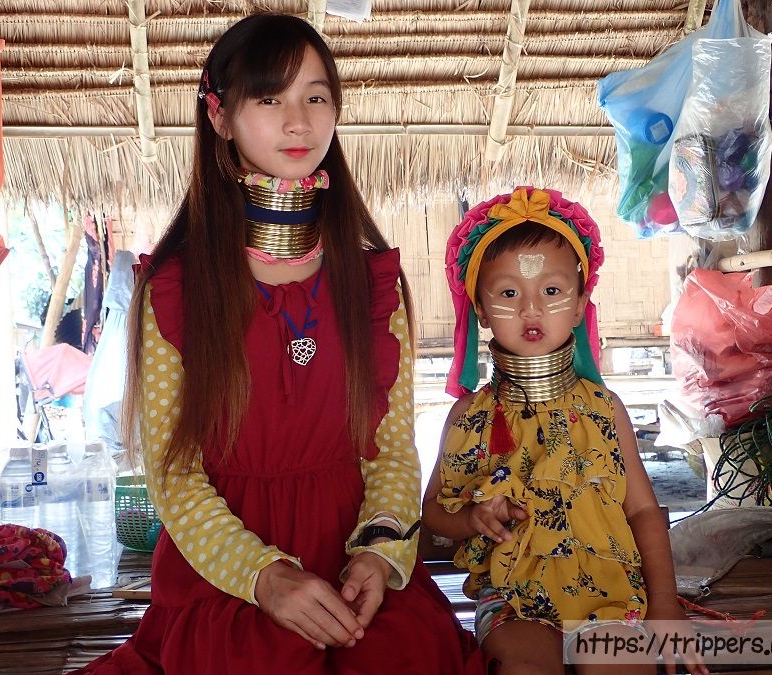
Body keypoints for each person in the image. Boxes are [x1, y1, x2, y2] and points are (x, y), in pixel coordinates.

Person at [75, 13, 483, 674]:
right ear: (220, 115)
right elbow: (174, 475)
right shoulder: (175, 289)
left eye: (315, 98)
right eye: (270, 99)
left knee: (405, 656)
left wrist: (379, 555)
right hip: (227, 576)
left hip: (352, 567)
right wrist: (263, 576)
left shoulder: (372, 284)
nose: (298, 122)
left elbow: (391, 452)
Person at [422, 187, 708, 675]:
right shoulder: (469, 417)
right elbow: (432, 512)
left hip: (609, 590)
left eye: (551, 292)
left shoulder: (604, 410)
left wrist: (664, 604)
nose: (531, 309)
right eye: (509, 293)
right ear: (481, 310)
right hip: (510, 593)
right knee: (523, 668)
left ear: (579, 306)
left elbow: (642, 510)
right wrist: (471, 519)